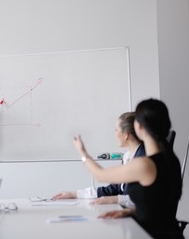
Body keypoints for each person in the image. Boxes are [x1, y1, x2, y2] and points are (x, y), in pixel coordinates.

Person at [73, 98, 183, 239]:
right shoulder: (170, 159)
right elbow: (158, 204)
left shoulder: (145, 164)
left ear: (139, 127)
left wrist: (82, 153)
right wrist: (130, 212)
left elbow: (100, 175)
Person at [53, 112, 145, 207]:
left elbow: (147, 198)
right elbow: (112, 189)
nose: (115, 134)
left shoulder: (143, 157)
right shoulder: (128, 157)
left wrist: (82, 152)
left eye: (116, 130)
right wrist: (74, 194)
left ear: (126, 135)